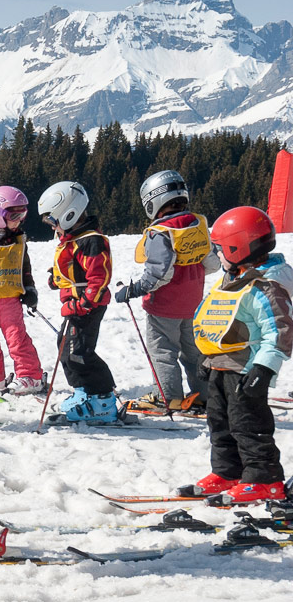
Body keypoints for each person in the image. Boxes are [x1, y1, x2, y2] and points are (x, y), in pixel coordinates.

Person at [182, 206, 291, 504]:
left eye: (219, 249)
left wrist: (264, 369)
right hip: (221, 367)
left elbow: (280, 332)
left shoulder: (265, 287)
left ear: (237, 247)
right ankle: (229, 472)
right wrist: (207, 359)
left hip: (247, 370)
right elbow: (220, 321)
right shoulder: (233, 279)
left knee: (248, 425)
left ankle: (265, 479)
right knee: (219, 423)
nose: (217, 256)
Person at [117, 170, 214, 416]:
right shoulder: (197, 224)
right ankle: (205, 395)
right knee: (194, 352)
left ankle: (167, 398)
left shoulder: (160, 232)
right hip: (193, 303)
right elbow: (212, 263)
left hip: (164, 306)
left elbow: (159, 273)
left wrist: (134, 289)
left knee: (163, 351)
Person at [40, 181, 120, 423]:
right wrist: (57, 279)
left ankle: (103, 402)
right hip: (75, 304)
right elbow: (74, 269)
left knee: (80, 352)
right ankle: (84, 392)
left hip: (87, 306)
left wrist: (83, 304)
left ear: (69, 214)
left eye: (52, 220)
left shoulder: (91, 240)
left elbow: (99, 277)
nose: (52, 226)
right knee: (66, 347)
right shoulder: (74, 240)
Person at [0, 186, 44, 396]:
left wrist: (30, 290)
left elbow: (25, 267)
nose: (19, 220)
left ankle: (31, 375)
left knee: (16, 338)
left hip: (10, 297)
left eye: (22, 214)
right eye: (14, 215)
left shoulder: (19, 240)